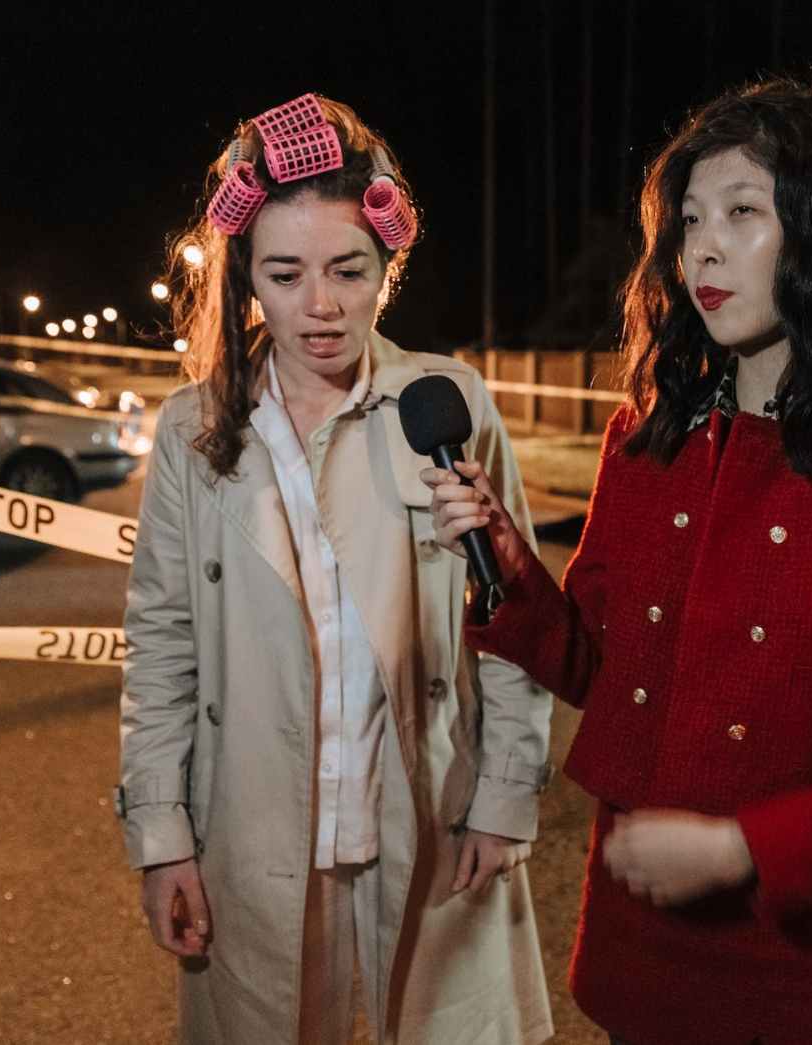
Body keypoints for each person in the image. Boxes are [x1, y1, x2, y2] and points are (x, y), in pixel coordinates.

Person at [422, 76, 812, 1045]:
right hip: (637, 957)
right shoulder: (646, 439)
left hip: (795, 982)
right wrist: (510, 567)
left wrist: (743, 848)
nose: (701, 246)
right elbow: (597, 669)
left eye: (743, 212)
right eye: (689, 218)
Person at [116, 93, 554, 1045]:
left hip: (429, 818)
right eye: (285, 273)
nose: (320, 305)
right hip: (254, 833)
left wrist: (506, 797)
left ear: (386, 269)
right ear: (247, 277)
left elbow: (514, 619)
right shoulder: (192, 432)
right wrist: (162, 836)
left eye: (349, 270)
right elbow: (160, 645)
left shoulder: (450, 403)